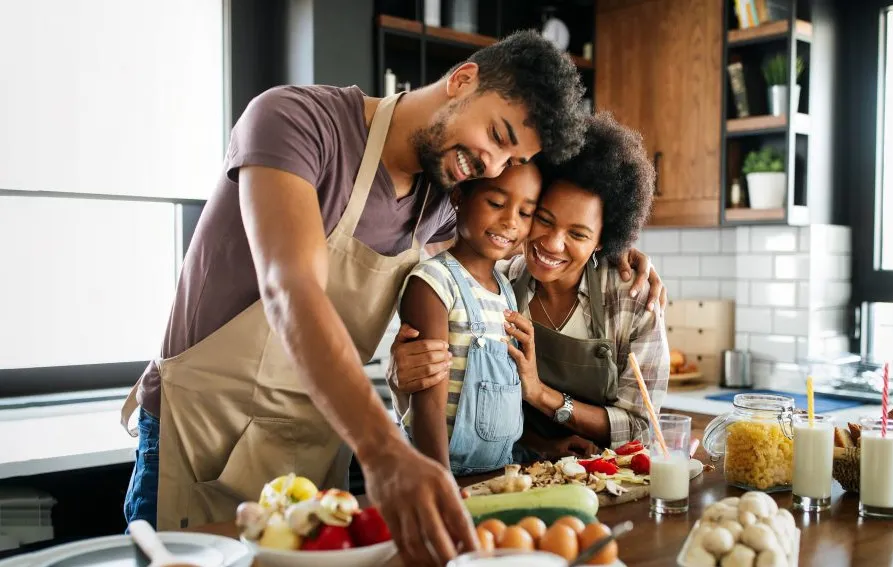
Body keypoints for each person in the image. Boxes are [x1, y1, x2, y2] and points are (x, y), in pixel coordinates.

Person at [118, 29, 661, 566]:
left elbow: (519, 251)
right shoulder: (297, 123)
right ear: (464, 79)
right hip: (203, 436)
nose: (492, 165)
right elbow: (292, 289)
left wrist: (616, 253)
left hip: (314, 446)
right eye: (497, 135)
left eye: (508, 160)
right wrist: (384, 452)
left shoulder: (442, 200)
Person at [390, 113, 670, 462]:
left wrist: (541, 394)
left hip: (608, 476)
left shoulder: (632, 300)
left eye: (578, 234)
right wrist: (402, 369)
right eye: (543, 218)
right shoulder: (501, 280)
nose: (552, 244)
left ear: (604, 241)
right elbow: (444, 393)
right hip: (516, 472)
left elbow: (641, 425)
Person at [400, 164, 540, 476]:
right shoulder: (434, 282)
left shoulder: (506, 291)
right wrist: (441, 484)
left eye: (525, 213)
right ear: (459, 196)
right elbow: (429, 404)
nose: (509, 222)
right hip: (439, 473)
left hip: (498, 473)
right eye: (496, 204)